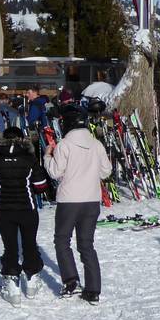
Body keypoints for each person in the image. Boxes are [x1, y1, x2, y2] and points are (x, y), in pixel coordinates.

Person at [44, 105, 112, 303]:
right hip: (92, 199)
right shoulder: (96, 144)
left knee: (62, 240)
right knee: (86, 244)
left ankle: (71, 281)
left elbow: (55, 172)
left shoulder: (64, 144)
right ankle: (93, 290)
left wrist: (47, 156)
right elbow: (106, 171)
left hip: (69, 200)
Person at [0, 126, 51, 306]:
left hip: (4, 211)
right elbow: (41, 186)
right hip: (27, 209)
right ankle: (32, 282)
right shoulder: (29, 159)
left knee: (10, 248)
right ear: (22, 140)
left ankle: (12, 287)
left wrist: (0, 183)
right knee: (30, 245)